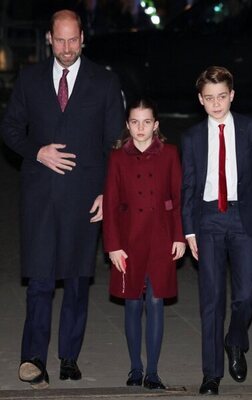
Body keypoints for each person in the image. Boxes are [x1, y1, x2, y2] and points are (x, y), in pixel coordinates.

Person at [0, 9, 125, 389]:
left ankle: (69, 356)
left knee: (76, 280)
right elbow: (9, 128)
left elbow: (115, 146)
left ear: (83, 39)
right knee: (40, 280)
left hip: (84, 199)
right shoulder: (30, 79)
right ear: (49, 40)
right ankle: (32, 357)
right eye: (60, 40)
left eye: (74, 40)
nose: (67, 48)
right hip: (40, 197)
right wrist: (37, 151)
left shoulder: (103, 82)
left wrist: (108, 193)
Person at [181, 65, 252, 395]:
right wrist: (190, 230)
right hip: (208, 218)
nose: (216, 104)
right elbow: (189, 186)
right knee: (210, 299)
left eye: (222, 97)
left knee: (246, 294)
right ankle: (212, 373)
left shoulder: (251, 128)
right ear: (200, 100)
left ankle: (235, 339)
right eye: (209, 98)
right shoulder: (193, 137)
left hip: (244, 217)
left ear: (232, 95)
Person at [102, 98, 186, 390]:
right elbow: (111, 204)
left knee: (156, 301)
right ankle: (134, 368)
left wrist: (179, 236)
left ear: (156, 125)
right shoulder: (117, 158)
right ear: (127, 125)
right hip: (128, 240)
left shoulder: (170, 154)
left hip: (161, 238)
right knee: (133, 303)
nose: (141, 128)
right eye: (135, 122)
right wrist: (112, 245)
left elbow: (177, 200)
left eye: (147, 122)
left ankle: (152, 371)